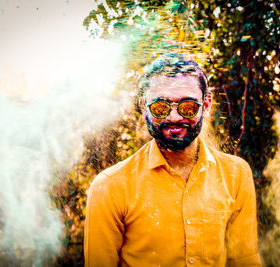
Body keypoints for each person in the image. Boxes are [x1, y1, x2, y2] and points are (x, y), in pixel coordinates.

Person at [84, 53, 262, 267]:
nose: (175, 117)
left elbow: (244, 261)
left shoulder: (236, 174)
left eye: (188, 106)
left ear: (206, 105)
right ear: (143, 107)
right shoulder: (110, 187)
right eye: (161, 107)